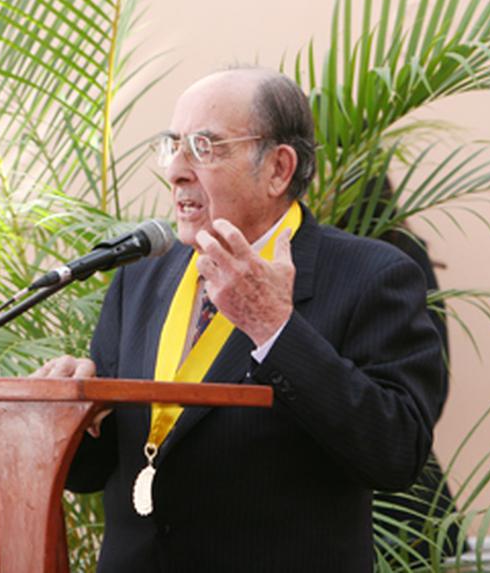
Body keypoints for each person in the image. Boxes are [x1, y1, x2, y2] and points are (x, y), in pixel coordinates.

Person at [34, 67, 446, 573]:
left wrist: (276, 328)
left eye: (205, 147)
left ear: (277, 168)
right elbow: (102, 468)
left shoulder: (372, 276)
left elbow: (396, 451)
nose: (177, 170)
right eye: (172, 146)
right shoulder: (141, 277)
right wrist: (69, 416)